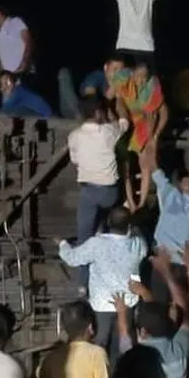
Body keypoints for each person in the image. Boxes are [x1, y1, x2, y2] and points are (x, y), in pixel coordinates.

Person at [56, 206, 148, 364]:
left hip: (101, 306)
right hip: (127, 305)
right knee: (122, 351)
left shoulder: (97, 244)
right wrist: (135, 230)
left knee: (99, 347)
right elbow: (143, 249)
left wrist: (62, 244)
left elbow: (72, 258)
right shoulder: (137, 243)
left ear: (108, 222)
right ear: (129, 226)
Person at [68, 96, 129, 290]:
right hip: (110, 193)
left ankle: (83, 284)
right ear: (98, 113)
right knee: (109, 231)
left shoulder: (74, 136)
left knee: (84, 239)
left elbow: (75, 160)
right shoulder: (108, 132)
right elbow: (124, 123)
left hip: (89, 191)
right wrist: (119, 104)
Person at [141, 140, 189, 304]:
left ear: (188, 187)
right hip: (181, 262)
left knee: (161, 302)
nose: (184, 178)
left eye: (187, 179)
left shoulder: (171, 196)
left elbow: (154, 168)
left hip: (166, 259)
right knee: (172, 302)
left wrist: (151, 145)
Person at [110, 62, 169, 211]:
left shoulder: (152, 87)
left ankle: (141, 203)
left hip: (144, 123)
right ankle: (130, 201)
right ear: (132, 74)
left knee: (145, 163)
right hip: (126, 122)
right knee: (125, 164)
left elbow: (156, 116)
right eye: (139, 76)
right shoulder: (123, 80)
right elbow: (115, 100)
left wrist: (153, 137)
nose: (141, 80)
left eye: (144, 77)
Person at [57, 57, 126, 120]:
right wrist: (112, 90)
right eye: (115, 69)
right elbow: (90, 101)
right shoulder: (97, 76)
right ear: (106, 68)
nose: (118, 74)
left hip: (102, 116)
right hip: (77, 110)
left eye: (121, 71)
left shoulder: (122, 82)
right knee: (64, 72)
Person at [0, 6, 33, 79]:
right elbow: (1, 59)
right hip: (9, 78)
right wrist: (1, 76)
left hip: (23, 73)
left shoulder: (15, 22)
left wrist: (25, 63)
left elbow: (28, 43)